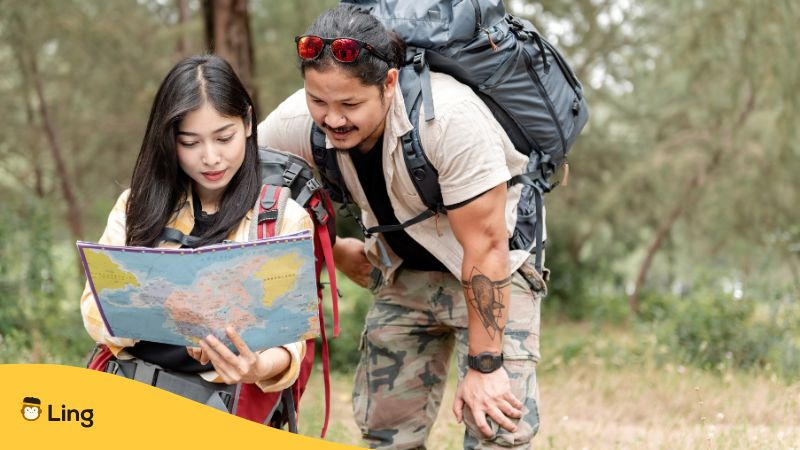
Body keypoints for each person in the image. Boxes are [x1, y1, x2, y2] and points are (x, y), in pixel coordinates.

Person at [258, 5, 547, 449]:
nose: (333, 119)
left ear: (389, 83)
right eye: (319, 101)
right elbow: (235, 171)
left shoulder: (449, 119)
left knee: (497, 432)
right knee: (386, 435)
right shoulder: (298, 120)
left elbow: (487, 248)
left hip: (493, 271)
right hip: (403, 274)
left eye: (350, 104)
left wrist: (486, 367)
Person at [80, 55, 312, 411]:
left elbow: (292, 340)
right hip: (127, 393)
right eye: (190, 143)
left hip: (216, 406)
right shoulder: (136, 206)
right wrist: (162, 314)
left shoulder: (281, 220)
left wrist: (255, 366)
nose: (211, 158)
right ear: (169, 140)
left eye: (224, 137)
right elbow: (94, 309)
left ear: (248, 122)